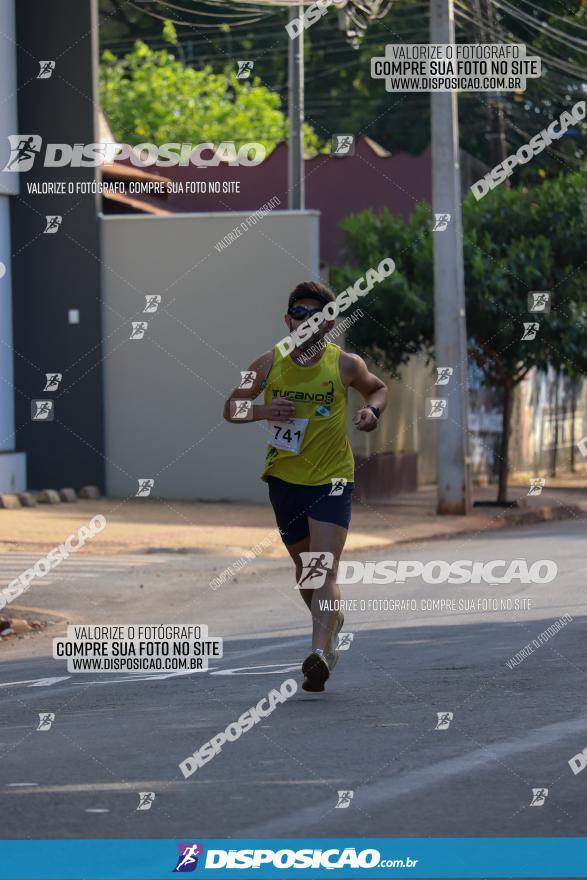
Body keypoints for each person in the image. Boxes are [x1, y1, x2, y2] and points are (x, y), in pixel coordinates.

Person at [223, 281, 387, 692]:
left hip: (332, 478)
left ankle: (319, 652)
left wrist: (371, 412)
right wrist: (262, 410)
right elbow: (230, 407)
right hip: (284, 479)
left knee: (322, 566)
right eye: (299, 314)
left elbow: (378, 389)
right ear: (287, 319)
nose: (306, 322)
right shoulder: (266, 363)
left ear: (328, 322)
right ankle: (331, 623)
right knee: (304, 571)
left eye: (315, 316)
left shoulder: (345, 364)